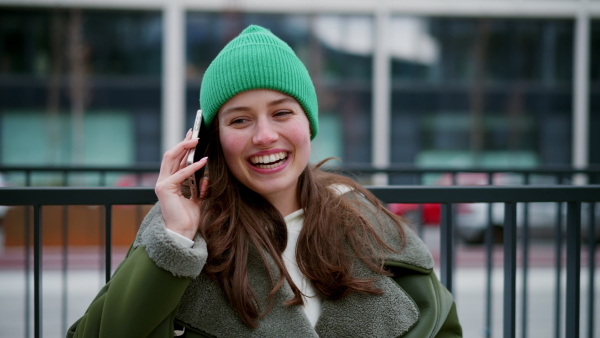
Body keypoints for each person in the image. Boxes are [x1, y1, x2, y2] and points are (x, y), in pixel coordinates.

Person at [67, 25, 462, 337]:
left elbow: (440, 327)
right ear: (213, 138)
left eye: (282, 113)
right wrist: (176, 240)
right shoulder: (179, 233)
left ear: (309, 123)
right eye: (240, 119)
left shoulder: (365, 223)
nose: (264, 136)